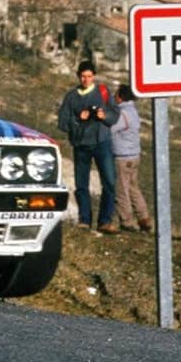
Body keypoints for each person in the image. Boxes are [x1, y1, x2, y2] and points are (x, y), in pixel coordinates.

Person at [57, 60, 119, 233]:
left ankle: (105, 221)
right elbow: (62, 122)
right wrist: (78, 119)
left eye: (89, 76)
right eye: (83, 76)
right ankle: (84, 220)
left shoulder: (104, 92)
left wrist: (103, 115)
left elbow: (115, 114)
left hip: (102, 143)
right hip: (81, 145)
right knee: (81, 185)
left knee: (109, 183)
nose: (86, 80)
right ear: (78, 77)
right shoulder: (71, 97)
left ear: (94, 77)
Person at [111, 84, 152, 233]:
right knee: (134, 188)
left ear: (121, 97)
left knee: (121, 190)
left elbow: (111, 129)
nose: (114, 97)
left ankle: (127, 221)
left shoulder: (123, 114)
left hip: (123, 157)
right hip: (134, 156)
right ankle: (144, 218)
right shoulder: (133, 111)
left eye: (116, 94)